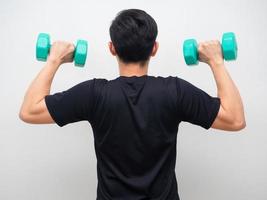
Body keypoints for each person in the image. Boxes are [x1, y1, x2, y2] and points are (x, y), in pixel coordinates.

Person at [19, 9, 246, 200]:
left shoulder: (93, 94)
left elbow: (29, 111)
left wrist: (54, 59)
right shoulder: (175, 91)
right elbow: (234, 119)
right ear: (154, 48)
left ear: (112, 49)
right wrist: (216, 61)